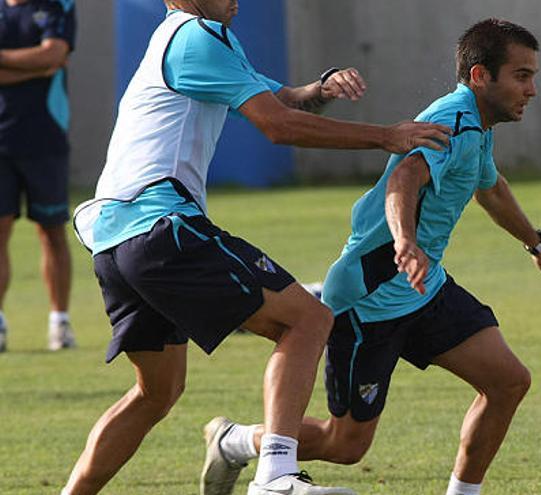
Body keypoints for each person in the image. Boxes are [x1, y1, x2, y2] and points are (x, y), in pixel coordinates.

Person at [62, 0, 449, 494]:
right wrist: (386, 137)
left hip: (113, 239)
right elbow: (277, 126)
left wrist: (322, 87)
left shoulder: (184, 39)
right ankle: (275, 476)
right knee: (308, 318)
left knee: (156, 392)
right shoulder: (199, 34)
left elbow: (285, 100)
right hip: (158, 224)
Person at [204, 18, 541, 495]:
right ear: (481, 77)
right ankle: (234, 442)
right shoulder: (452, 120)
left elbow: (492, 189)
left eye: (532, 75)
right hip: (369, 297)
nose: (533, 89)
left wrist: (537, 245)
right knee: (346, 445)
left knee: (507, 382)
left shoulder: (478, 126)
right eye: (522, 76)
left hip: (424, 288)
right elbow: (404, 180)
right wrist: (404, 242)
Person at [0, 0, 77, 352]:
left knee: (51, 231)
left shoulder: (57, 5)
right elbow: (43, 62)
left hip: (45, 137)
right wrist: (33, 64)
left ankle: (59, 323)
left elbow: (53, 56)